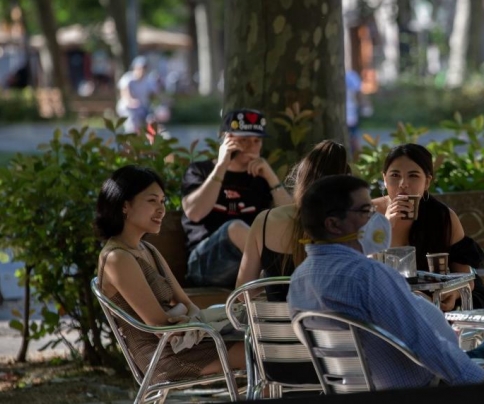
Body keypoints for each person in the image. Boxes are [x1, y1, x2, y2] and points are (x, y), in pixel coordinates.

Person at [288, 175, 484, 390]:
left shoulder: (300, 279)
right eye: (364, 211)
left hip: (368, 389)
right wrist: (478, 383)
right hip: (428, 389)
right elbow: (422, 343)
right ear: (334, 225)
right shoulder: (366, 274)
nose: (375, 218)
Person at [95, 165, 245, 381]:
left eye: (163, 201)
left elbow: (186, 302)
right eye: (152, 200)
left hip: (185, 342)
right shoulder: (117, 258)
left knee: (262, 343)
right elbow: (158, 325)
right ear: (125, 205)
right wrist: (192, 320)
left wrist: (192, 317)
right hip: (162, 356)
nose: (161, 209)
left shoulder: (147, 249)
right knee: (261, 353)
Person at [373, 143, 484, 310]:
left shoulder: (442, 217)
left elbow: (465, 275)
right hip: (386, 299)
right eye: (395, 175)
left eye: (413, 176)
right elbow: (361, 267)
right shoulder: (369, 214)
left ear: (427, 182)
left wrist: (455, 294)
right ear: (385, 179)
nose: (403, 184)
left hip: (439, 299)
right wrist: (385, 227)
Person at [181, 109, 292, 288]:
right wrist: (221, 166)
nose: (251, 146)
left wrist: (271, 178)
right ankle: (282, 279)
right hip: (203, 265)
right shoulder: (200, 170)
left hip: (249, 268)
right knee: (235, 228)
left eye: (257, 141)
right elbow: (194, 213)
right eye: (243, 140)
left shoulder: (260, 179)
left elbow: (291, 219)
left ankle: (274, 281)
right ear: (226, 140)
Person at [235, 139, 351, 288]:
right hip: (328, 312)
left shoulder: (264, 221)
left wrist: (270, 277)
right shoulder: (351, 226)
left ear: (301, 177)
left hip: (276, 312)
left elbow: (243, 293)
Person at [117, 56, 160, 134]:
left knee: (152, 121)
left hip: (142, 108)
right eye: (140, 68)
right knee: (132, 126)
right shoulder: (128, 78)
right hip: (127, 109)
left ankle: (151, 142)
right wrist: (131, 101)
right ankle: (130, 141)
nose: (142, 70)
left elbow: (154, 95)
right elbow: (125, 93)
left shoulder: (148, 80)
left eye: (144, 68)